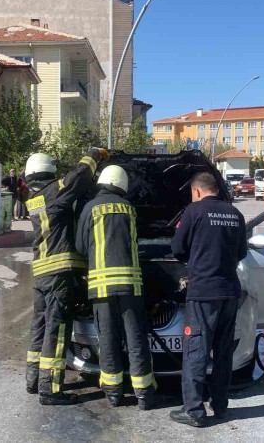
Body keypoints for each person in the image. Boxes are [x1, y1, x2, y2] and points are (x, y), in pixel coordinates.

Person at [24, 149, 108, 405]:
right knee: (57, 329)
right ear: (49, 172)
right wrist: (95, 155)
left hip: (42, 273)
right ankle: (50, 389)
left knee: (39, 327)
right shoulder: (54, 192)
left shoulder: (34, 199)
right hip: (58, 274)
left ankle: (33, 380)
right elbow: (78, 177)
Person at [75, 165, 156, 410]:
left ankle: (113, 393)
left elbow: (80, 247)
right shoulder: (129, 208)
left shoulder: (90, 208)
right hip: (131, 286)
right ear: (122, 185)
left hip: (102, 288)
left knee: (108, 338)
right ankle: (144, 393)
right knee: (136, 337)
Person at [169, 172, 246, 427]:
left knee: (196, 349)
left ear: (197, 191)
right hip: (229, 292)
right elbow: (242, 252)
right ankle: (220, 405)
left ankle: (193, 410)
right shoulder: (235, 214)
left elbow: (178, 249)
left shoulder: (194, 211)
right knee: (223, 352)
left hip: (203, 293)